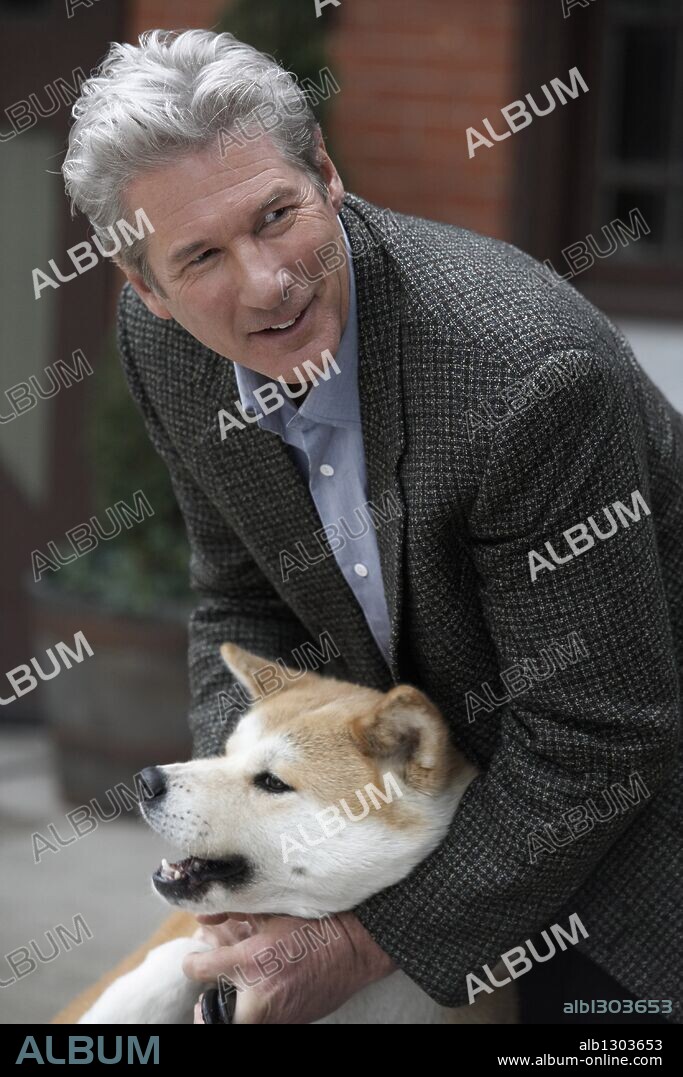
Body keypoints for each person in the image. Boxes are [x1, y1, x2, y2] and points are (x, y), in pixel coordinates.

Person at [62, 28, 682, 1025]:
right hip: (417, 810)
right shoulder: (165, 349)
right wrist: (249, 846)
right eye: (204, 256)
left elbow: (599, 742)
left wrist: (354, 945)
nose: (266, 280)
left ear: (327, 174)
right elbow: (242, 595)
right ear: (148, 290)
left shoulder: (522, 378)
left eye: (275, 215)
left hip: (637, 859)